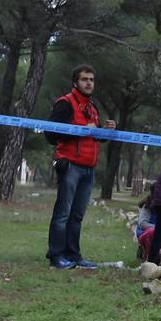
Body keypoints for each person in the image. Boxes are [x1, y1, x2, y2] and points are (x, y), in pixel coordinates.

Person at [43, 64, 117, 269]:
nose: (89, 83)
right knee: (63, 213)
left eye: (92, 80)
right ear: (75, 82)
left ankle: (73, 256)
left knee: (77, 216)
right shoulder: (65, 103)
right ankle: (56, 257)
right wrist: (82, 130)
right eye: (85, 79)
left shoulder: (92, 108)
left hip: (88, 169)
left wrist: (105, 131)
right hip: (70, 166)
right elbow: (50, 135)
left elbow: (93, 136)